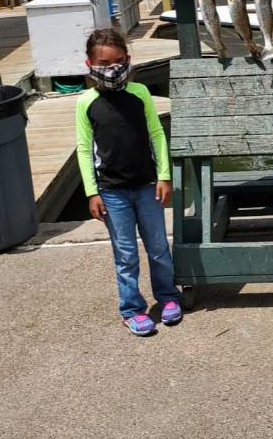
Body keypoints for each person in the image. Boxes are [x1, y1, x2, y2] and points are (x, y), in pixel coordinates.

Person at [76, 28, 182, 336]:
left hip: (147, 185)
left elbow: (157, 134)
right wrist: (91, 192)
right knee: (125, 255)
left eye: (119, 61)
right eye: (104, 63)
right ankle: (132, 309)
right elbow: (84, 148)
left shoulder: (140, 93)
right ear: (90, 64)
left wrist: (164, 175)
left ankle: (168, 296)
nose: (112, 68)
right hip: (111, 192)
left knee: (159, 247)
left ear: (128, 60)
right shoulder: (86, 102)